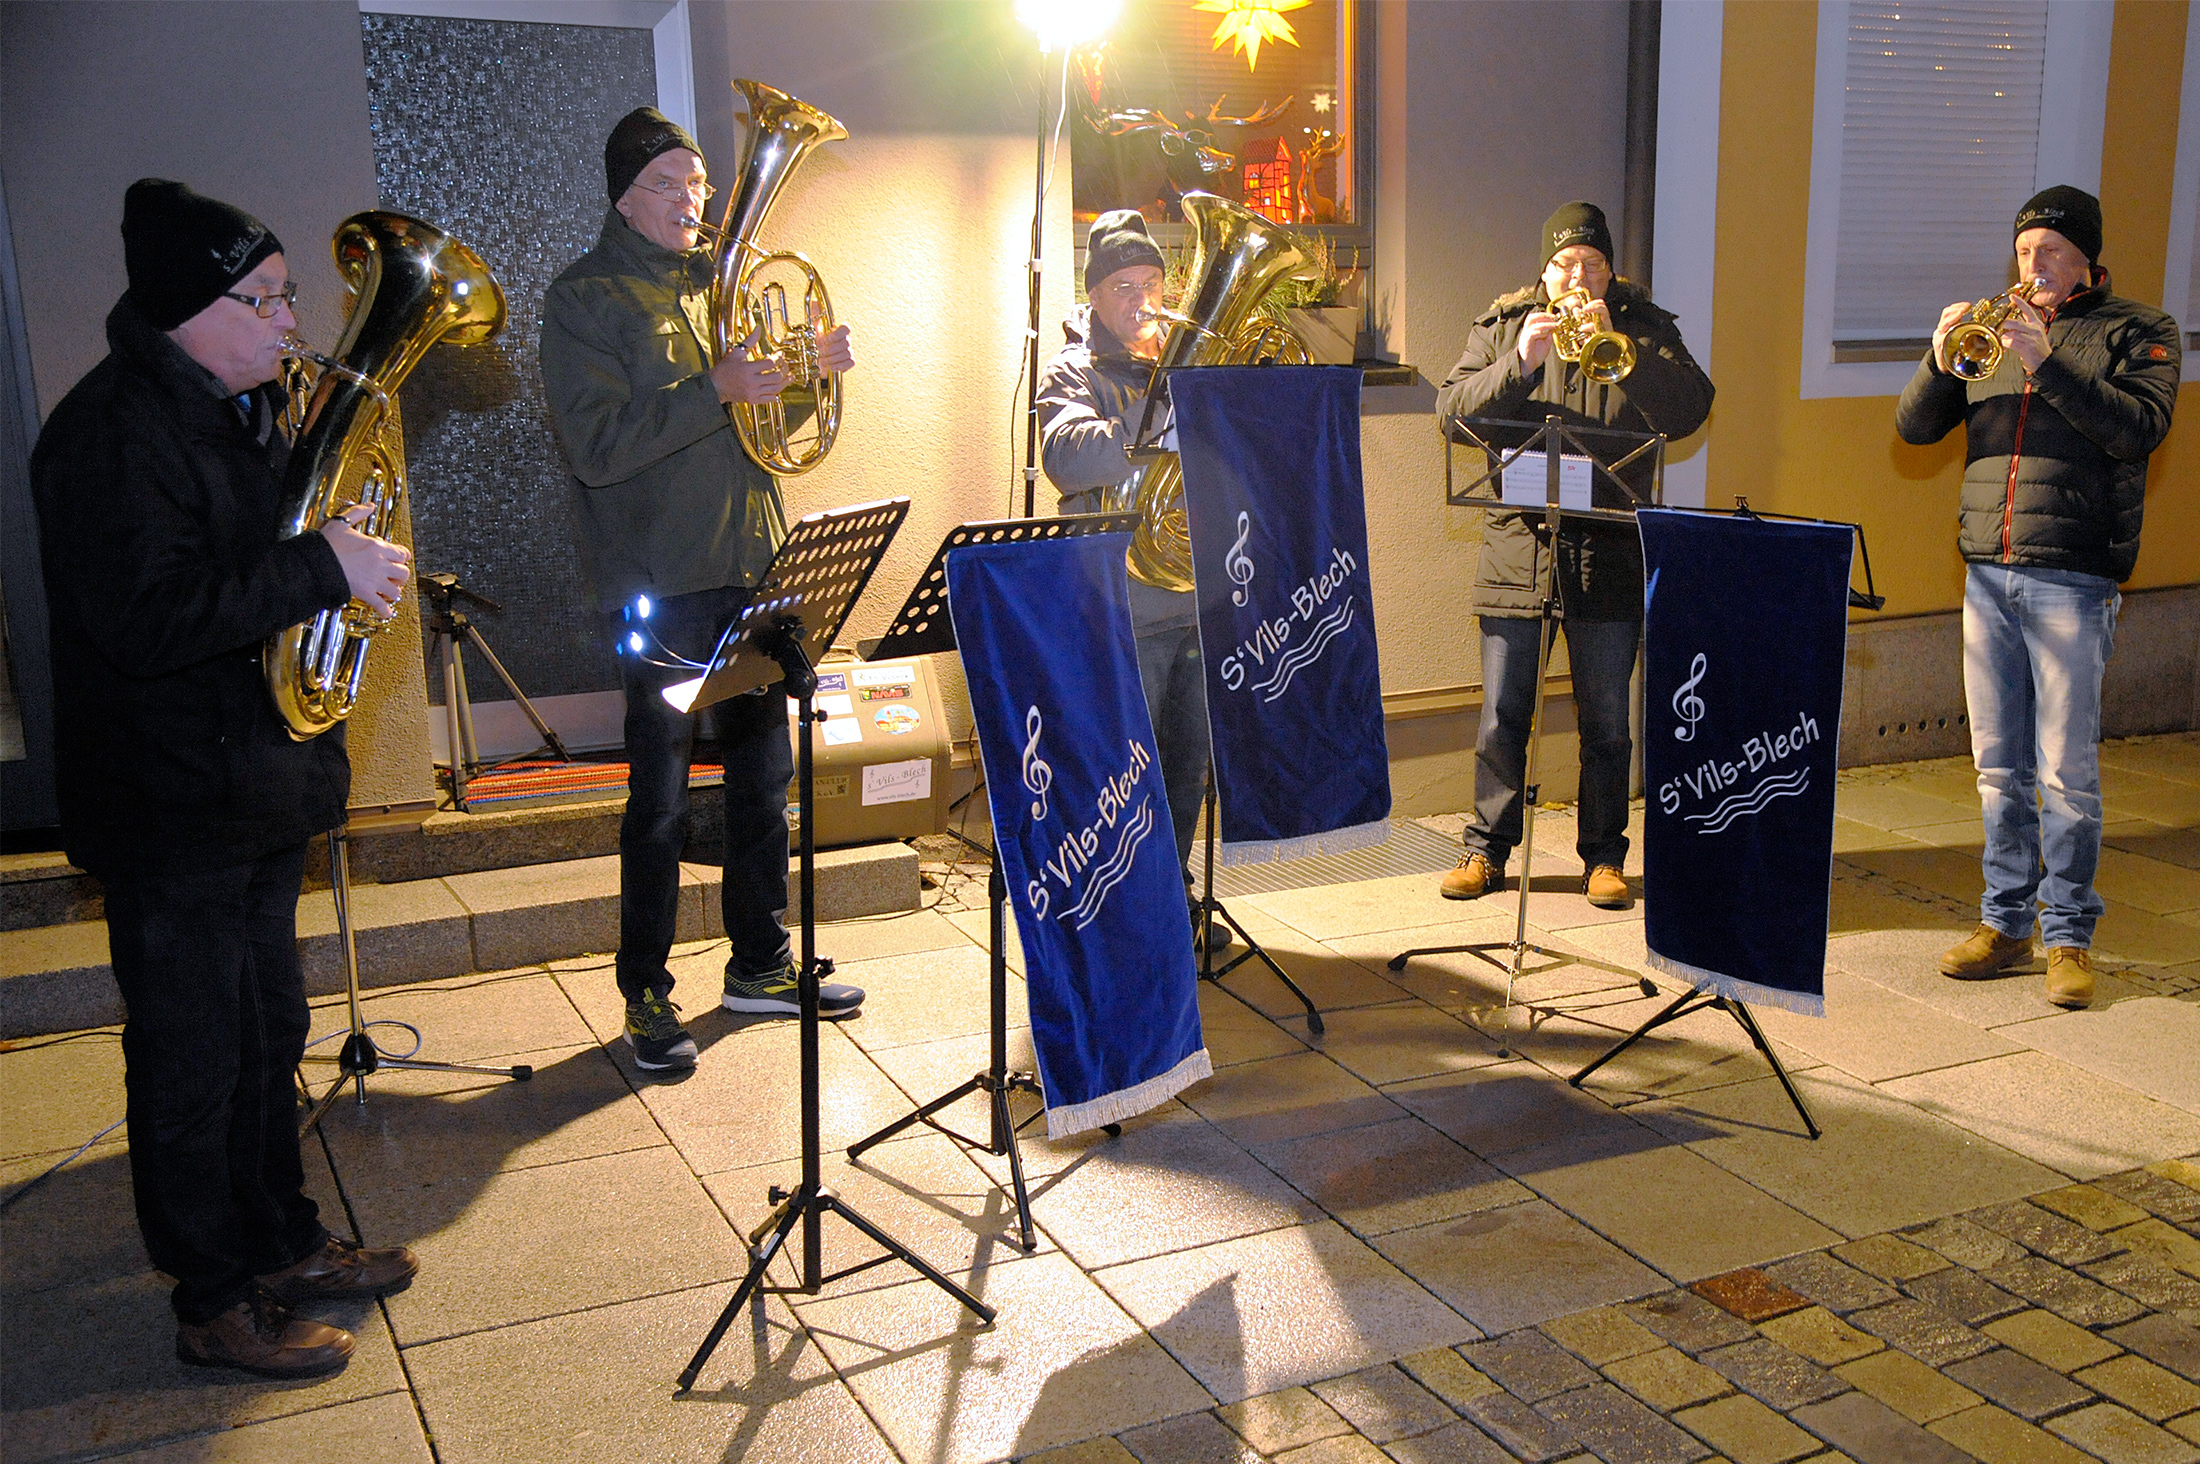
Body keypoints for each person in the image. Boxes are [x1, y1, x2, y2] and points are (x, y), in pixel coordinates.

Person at [31, 179, 420, 1378]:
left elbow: (264, 573)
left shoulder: (241, 408)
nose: (287, 323)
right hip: (169, 804)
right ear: (189, 309)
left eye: (290, 296)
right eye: (265, 300)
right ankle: (210, 1301)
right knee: (194, 1059)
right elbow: (147, 621)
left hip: (252, 785)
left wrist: (337, 560)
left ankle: (283, 1241)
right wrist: (321, 567)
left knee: (270, 1032)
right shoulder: (108, 436)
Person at [541, 107, 863, 1073]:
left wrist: (811, 374)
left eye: (701, 187)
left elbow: (764, 425)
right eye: (677, 187)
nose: (698, 203)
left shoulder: (716, 287)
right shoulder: (585, 299)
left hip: (750, 566)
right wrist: (712, 389)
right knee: (662, 798)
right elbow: (596, 451)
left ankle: (758, 965)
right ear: (627, 196)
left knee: (767, 782)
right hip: (658, 581)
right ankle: (645, 989)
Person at [1896, 185, 2179, 1010]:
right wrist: (1939, 352)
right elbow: (1915, 430)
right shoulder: (1992, 327)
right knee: (1997, 771)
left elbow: (2138, 430)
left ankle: (2069, 938)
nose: (2033, 266)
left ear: (2086, 257)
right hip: (1987, 568)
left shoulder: (2139, 330)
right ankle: (2004, 924)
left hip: (2075, 573)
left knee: (2066, 774)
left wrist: (2045, 360)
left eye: (2049, 251)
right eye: (2024, 251)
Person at [1435, 202, 1714, 909]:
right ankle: (1485, 849)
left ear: (1611, 270)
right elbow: (1451, 412)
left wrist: (1626, 350)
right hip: (1517, 549)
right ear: (1545, 270)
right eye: (1564, 264)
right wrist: (1521, 361)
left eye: (1592, 263)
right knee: (1502, 713)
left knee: (1606, 721)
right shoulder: (1503, 324)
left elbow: (1688, 410)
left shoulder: (1644, 327)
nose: (1578, 276)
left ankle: (1604, 857)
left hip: (1610, 551)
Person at [1037, 209, 1221, 945]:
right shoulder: (1071, 370)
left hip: (1196, 598)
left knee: (1186, 770)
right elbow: (1066, 455)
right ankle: (1118, 911)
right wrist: (1153, 422)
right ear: (1093, 297)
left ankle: (1168, 901)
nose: (1141, 300)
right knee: (1124, 774)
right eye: (1122, 286)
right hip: (1122, 607)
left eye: (1151, 282)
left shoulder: (1185, 364)